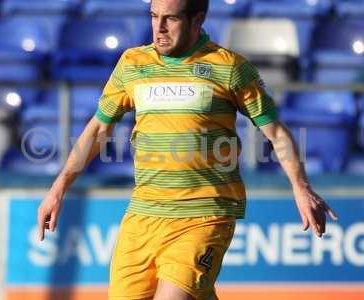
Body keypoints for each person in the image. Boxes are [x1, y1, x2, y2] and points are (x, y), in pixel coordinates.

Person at [37, 0, 338, 299]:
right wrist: (58, 188)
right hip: (143, 216)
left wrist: (300, 186)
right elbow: (98, 129)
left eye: (171, 19)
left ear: (198, 19)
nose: (160, 28)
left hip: (204, 215)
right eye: (154, 16)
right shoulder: (132, 64)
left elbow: (276, 133)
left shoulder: (229, 67)